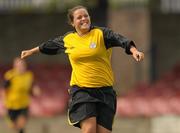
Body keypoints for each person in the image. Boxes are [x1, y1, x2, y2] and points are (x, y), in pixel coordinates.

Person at [21, 5, 144, 133]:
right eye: (79, 17)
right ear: (72, 23)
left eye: (86, 16)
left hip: (105, 92)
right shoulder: (68, 39)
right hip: (82, 91)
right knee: (89, 130)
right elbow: (49, 45)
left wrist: (134, 51)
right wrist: (31, 51)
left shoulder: (101, 34)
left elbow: (120, 40)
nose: (84, 19)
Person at [1, 57, 40, 133]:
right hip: (11, 104)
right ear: (15, 66)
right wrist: (4, 100)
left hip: (24, 104)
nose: (21, 67)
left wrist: (35, 90)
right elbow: (4, 89)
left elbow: (32, 86)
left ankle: (21, 129)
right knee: (14, 126)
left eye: (22, 65)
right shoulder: (10, 76)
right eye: (19, 65)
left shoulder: (29, 75)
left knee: (21, 123)